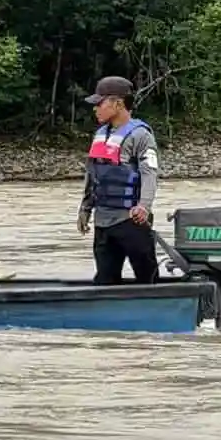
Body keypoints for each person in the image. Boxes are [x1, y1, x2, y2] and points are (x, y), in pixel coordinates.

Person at [79, 76, 160, 285]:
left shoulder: (141, 135)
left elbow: (149, 172)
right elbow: (92, 174)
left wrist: (144, 206)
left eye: (100, 103)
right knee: (105, 280)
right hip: (103, 222)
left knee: (147, 278)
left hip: (131, 220)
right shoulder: (100, 135)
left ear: (118, 104)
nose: (95, 108)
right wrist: (85, 209)